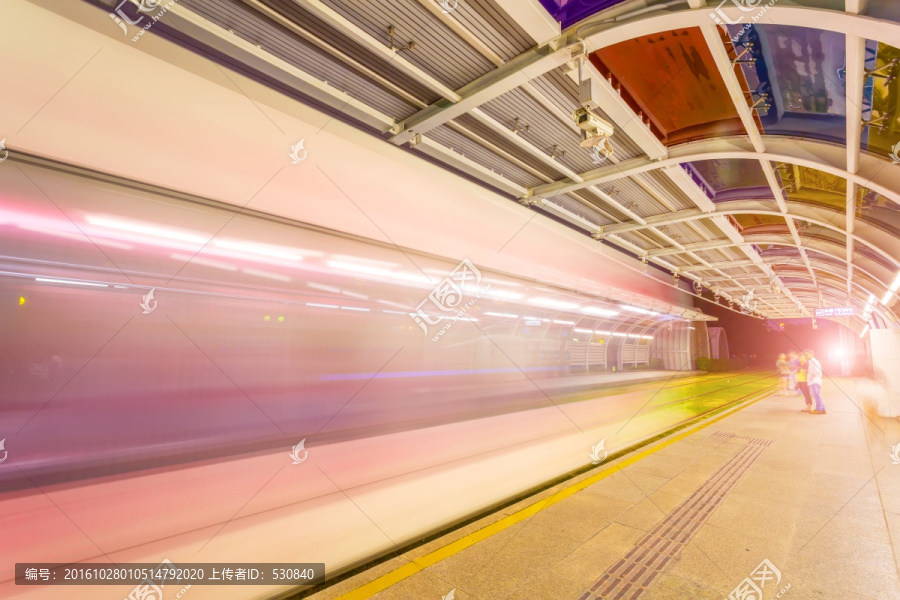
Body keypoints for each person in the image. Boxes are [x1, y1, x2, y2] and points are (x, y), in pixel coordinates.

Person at [805, 349, 825, 414]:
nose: (805, 356)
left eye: (807, 354)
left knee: (816, 395)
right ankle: (822, 409)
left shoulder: (814, 361)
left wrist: (811, 377)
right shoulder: (811, 361)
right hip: (814, 381)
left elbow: (816, 371)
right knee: (817, 395)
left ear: (812, 354)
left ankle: (818, 410)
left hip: (814, 381)